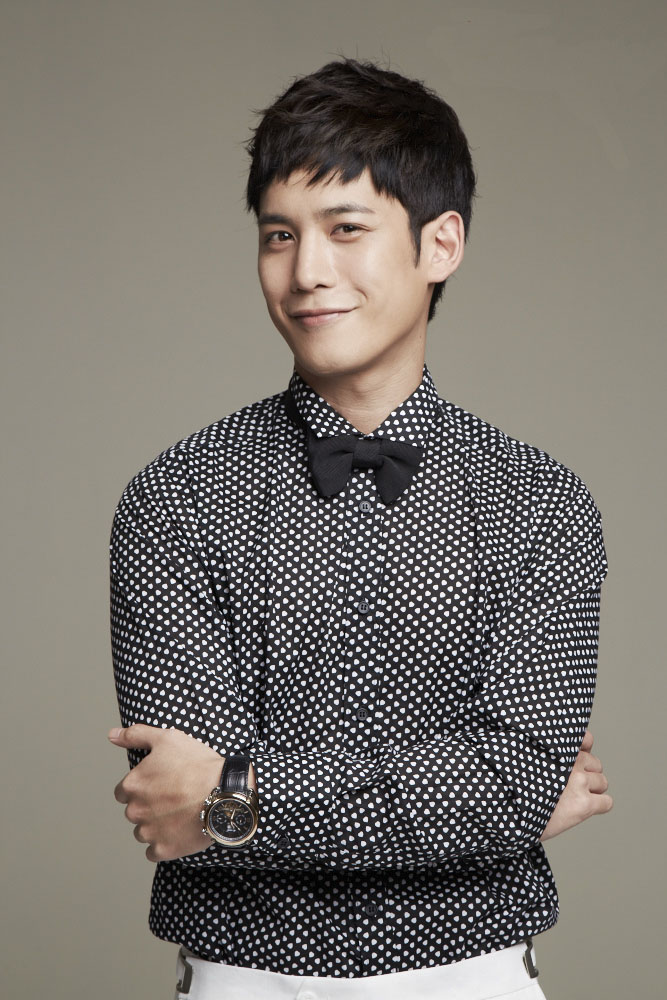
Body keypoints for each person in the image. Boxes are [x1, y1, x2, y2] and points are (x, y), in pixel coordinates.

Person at [108, 57, 613, 1000]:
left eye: (346, 229)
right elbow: (179, 799)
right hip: (242, 978)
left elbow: (513, 783)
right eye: (278, 235)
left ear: (440, 244)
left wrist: (240, 798)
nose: (306, 272)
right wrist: (479, 804)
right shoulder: (174, 497)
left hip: (471, 977)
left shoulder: (540, 502)